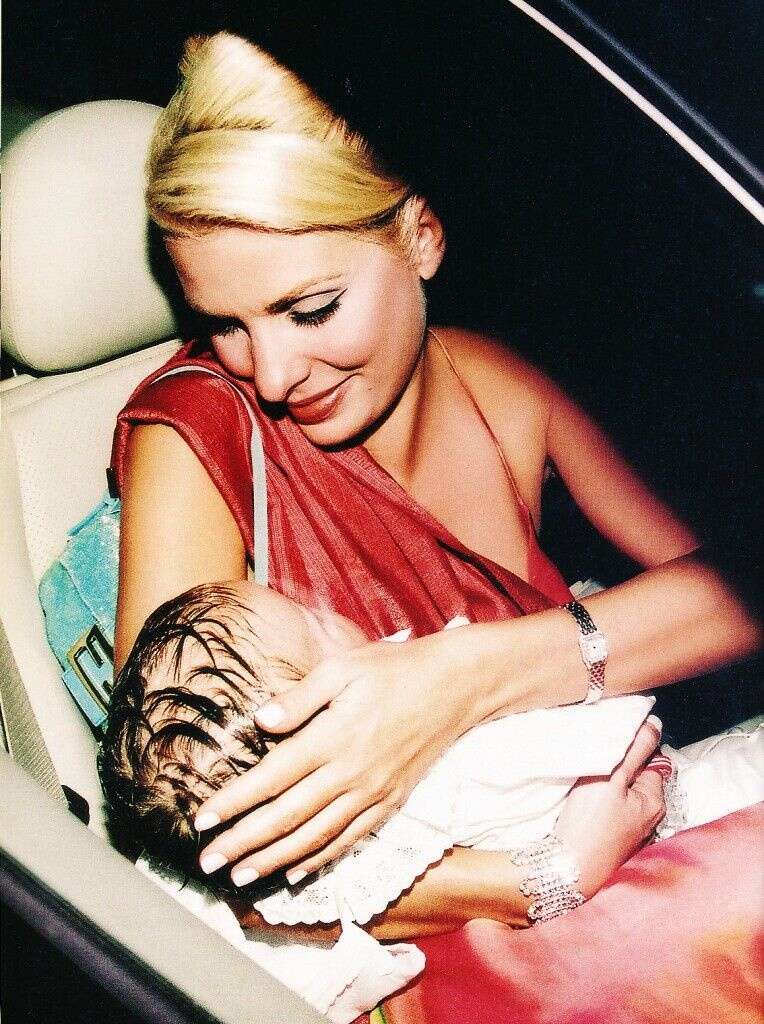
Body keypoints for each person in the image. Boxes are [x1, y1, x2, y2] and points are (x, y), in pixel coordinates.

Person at [112, 29, 760, 927]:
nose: (272, 374)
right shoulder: (198, 434)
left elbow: (736, 595)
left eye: (311, 310)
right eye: (225, 324)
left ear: (420, 239)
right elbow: (192, 837)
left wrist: (458, 678)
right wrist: (540, 878)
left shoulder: (497, 386)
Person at [99, 579, 761, 1019]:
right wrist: (554, 872)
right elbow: (619, 728)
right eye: (312, 623)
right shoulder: (437, 779)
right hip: (665, 830)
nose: (326, 607)